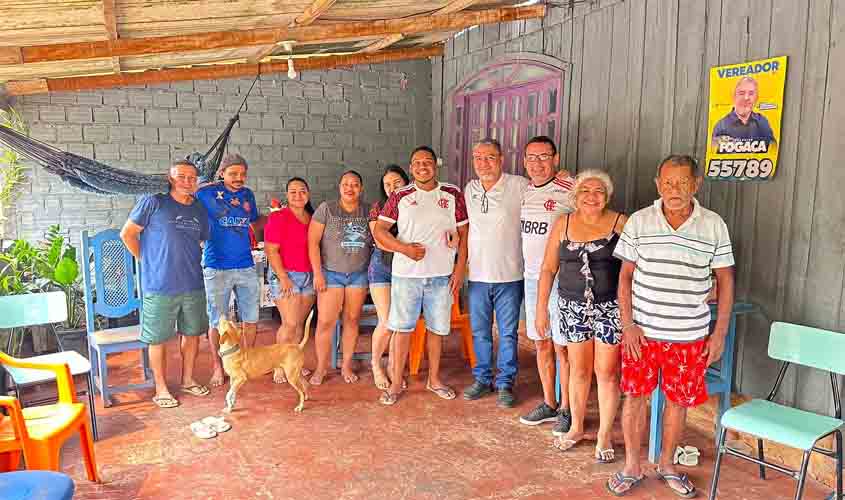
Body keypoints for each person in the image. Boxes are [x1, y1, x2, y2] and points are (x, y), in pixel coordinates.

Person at [607, 155, 735, 497]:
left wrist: (718, 333)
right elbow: (625, 278)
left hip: (689, 335)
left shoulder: (713, 225)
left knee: (678, 402)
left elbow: (725, 280)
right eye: (667, 183)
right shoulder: (639, 221)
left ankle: (667, 464)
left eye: (681, 183)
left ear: (696, 185)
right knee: (634, 398)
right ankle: (632, 465)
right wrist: (628, 324)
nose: (673, 190)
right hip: (642, 335)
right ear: (657, 184)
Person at [535, 169, 626, 463]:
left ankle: (604, 434)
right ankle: (575, 427)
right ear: (575, 196)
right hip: (572, 307)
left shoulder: (619, 223)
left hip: (610, 307)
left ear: (607, 196)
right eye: (585, 191)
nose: (592, 196)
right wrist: (540, 311)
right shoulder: (563, 223)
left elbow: (636, 266)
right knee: (579, 370)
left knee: (607, 372)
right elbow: (548, 269)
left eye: (599, 191)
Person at [373, 146, 468, 405]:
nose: (422, 167)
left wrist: (460, 269)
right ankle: (394, 384)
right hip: (407, 275)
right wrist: (403, 248)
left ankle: (434, 379)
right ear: (411, 167)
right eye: (417, 163)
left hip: (441, 276)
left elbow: (464, 232)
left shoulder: (452, 193)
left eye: (427, 162)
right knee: (402, 330)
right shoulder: (400, 195)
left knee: (437, 330)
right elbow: (380, 231)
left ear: (435, 166)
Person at [120, 160, 210, 408]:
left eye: (192, 178)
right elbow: (127, 234)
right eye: (181, 176)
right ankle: (161, 389)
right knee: (157, 338)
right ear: (170, 178)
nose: (187, 181)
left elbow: (201, 241)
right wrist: (145, 259)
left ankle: (188, 380)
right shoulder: (153, 201)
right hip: (159, 286)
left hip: (193, 283)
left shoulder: (199, 209)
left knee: (191, 334)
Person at [517, 136, 576, 436]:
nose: (537, 163)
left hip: (561, 279)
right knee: (541, 342)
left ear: (556, 158)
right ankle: (549, 403)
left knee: (561, 346)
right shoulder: (525, 192)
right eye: (531, 157)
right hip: (531, 278)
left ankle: (567, 408)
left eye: (543, 156)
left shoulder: (571, 189)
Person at [462, 138, 527, 408]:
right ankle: (482, 378)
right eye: (478, 158)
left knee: (508, 333)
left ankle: (505, 383)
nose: (484, 163)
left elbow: (548, 195)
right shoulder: (470, 189)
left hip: (510, 274)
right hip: (477, 275)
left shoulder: (519, 185)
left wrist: (563, 178)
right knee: (480, 332)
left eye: (490, 157)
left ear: (501, 158)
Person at [195, 153, 261, 389]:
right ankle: (217, 365)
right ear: (221, 173)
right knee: (217, 320)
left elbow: (255, 221)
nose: (239, 178)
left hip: (245, 265)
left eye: (243, 174)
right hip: (216, 266)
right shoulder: (206, 193)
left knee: (251, 317)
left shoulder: (247, 195)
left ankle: (247, 361)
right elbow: (189, 194)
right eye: (233, 173)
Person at [308, 170, 372, 385]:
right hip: (331, 274)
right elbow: (313, 243)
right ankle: (321, 368)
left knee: (352, 321)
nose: (350, 188)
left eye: (355, 184)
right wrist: (317, 273)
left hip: (358, 275)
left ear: (360, 188)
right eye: (346, 184)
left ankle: (346, 365)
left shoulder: (368, 210)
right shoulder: (327, 209)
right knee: (326, 322)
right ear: (339, 187)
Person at [264, 177, 316, 384]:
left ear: (308, 194)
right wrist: (284, 277)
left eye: (302, 191)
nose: (298, 195)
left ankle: (293, 363)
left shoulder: (312, 218)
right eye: (293, 192)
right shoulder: (279, 217)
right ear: (287, 195)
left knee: (299, 324)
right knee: (290, 323)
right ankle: (278, 365)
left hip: (308, 276)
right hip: (286, 275)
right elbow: (271, 250)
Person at [368, 165, 411, 390]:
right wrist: (407, 249)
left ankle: (395, 368)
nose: (392, 188)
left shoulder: (415, 204)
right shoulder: (379, 207)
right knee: (386, 321)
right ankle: (376, 365)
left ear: (406, 182)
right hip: (382, 267)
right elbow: (380, 239)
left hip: (406, 269)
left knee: (400, 322)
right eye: (387, 185)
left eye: (397, 183)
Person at [711, 76, 776, 146]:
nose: (746, 98)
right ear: (734, 96)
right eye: (741, 93)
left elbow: (773, 148)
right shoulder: (721, 125)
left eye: (751, 93)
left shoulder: (762, 121)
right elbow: (713, 149)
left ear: (756, 98)